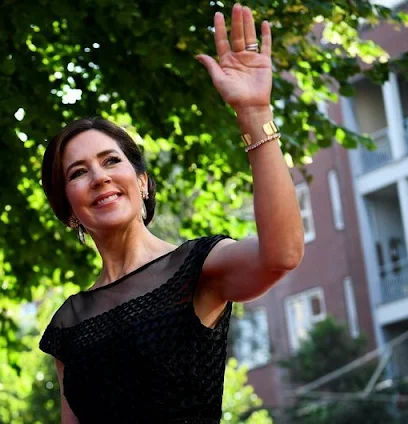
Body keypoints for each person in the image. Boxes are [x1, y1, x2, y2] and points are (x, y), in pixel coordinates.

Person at [39, 3, 304, 423]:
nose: (99, 178)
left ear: (141, 182)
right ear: (68, 208)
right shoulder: (69, 323)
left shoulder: (197, 266)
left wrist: (254, 113)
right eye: (78, 172)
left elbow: (282, 254)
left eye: (111, 161)